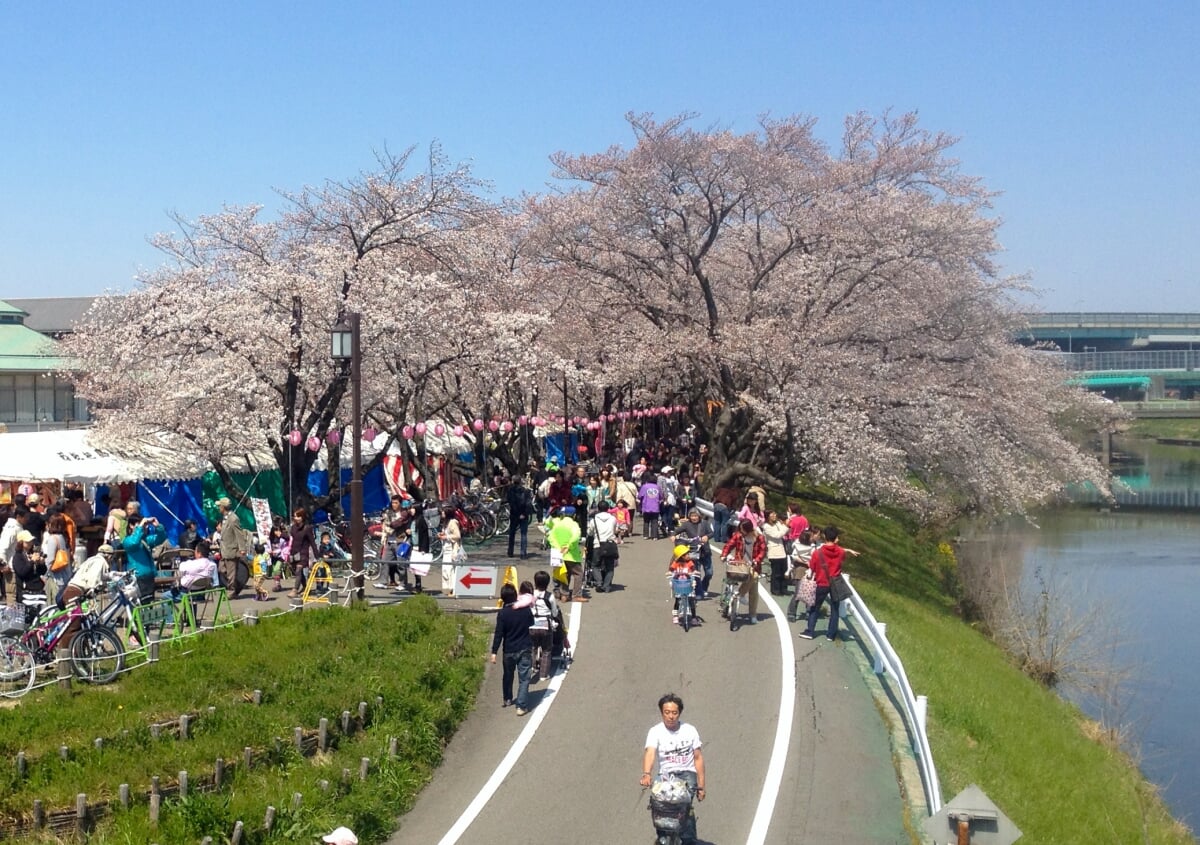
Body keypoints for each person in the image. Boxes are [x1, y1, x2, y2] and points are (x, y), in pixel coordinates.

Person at [639, 693, 706, 844]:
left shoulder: (690, 730)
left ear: (679, 713)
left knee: (682, 806)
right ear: (662, 713)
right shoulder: (655, 731)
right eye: (667, 712)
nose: (670, 716)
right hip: (666, 776)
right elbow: (650, 752)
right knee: (659, 805)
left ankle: (687, 838)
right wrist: (646, 773)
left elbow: (698, 758)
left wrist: (701, 786)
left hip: (687, 775)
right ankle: (663, 837)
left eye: (674, 713)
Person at [800, 525, 860, 641]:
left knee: (814, 608)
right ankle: (831, 634)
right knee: (835, 609)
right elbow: (841, 556)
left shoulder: (818, 553)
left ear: (824, 536)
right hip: (835, 583)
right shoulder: (840, 552)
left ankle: (810, 631)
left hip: (821, 583)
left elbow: (812, 566)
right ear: (836, 538)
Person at [490, 583, 535, 716]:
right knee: (524, 678)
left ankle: (507, 698)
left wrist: (494, 652)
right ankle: (521, 706)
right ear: (516, 596)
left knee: (508, 675)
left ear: (502, 598)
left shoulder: (503, 614)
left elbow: (499, 634)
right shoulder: (525, 610)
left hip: (508, 649)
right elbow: (531, 623)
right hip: (524, 647)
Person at [720, 519, 766, 624]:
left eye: (743, 530)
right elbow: (729, 545)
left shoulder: (759, 537)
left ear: (749, 529)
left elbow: (763, 552)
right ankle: (739, 596)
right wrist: (723, 555)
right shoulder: (738, 535)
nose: (742, 532)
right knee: (752, 582)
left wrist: (756, 560)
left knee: (754, 588)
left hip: (753, 565)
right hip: (739, 564)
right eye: (740, 529)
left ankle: (751, 611)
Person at [122, 515, 167, 603]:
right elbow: (134, 543)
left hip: (149, 576)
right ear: (131, 525)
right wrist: (140, 526)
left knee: (149, 604)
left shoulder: (145, 540)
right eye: (139, 524)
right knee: (141, 604)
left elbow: (161, 538)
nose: (144, 527)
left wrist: (158, 526)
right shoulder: (127, 541)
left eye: (145, 525)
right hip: (138, 577)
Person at [546, 506, 586, 602]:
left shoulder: (557, 524)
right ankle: (576, 595)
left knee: (563, 574)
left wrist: (558, 547)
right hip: (571, 554)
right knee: (578, 574)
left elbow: (550, 536)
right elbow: (576, 536)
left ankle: (564, 594)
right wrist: (568, 546)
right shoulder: (574, 525)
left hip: (558, 553)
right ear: (574, 515)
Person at [674, 509, 714, 599]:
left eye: (696, 516)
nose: (694, 518)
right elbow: (677, 531)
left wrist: (707, 536)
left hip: (705, 551)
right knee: (696, 573)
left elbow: (712, 533)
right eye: (692, 516)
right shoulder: (687, 524)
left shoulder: (705, 523)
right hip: (694, 551)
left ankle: (704, 587)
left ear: (699, 516)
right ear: (689, 516)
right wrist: (673, 535)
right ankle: (699, 592)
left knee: (709, 573)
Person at [216, 497, 250, 598]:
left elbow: (239, 534)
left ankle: (233, 591)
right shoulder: (225, 518)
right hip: (224, 550)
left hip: (231, 550)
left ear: (223, 507)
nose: (218, 508)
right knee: (221, 569)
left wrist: (242, 548)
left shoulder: (233, 518)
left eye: (219, 506)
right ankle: (237, 585)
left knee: (231, 572)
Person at [529, 569, 559, 682]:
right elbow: (555, 612)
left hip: (532, 624)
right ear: (547, 583)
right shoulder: (549, 596)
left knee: (532, 647)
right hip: (545, 625)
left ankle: (531, 667)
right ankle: (543, 674)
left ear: (535, 582)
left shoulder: (531, 594)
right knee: (546, 650)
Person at [785, 529, 820, 622]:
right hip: (805, 569)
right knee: (807, 591)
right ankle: (805, 612)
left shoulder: (796, 545)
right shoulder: (813, 548)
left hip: (799, 569)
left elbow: (794, 556)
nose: (813, 538)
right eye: (811, 536)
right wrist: (808, 562)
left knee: (800, 592)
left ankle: (792, 613)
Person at [287, 508, 319, 598]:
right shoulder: (293, 527)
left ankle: (295, 590)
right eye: (295, 516)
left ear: (302, 517)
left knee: (298, 570)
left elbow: (312, 542)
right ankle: (305, 587)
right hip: (294, 552)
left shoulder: (307, 528)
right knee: (298, 573)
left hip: (303, 553)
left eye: (298, 516)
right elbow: (290, 540)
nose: (295, 518)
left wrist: (317, 556)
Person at [589, 501, 619, 592]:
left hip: (598, 544)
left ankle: (599, 583)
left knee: (595, 565)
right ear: (608, 509)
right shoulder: (613, 519)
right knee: (610, 567)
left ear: (598, 509)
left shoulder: (594, 520)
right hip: (610, 544)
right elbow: (616, 530)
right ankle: (606, 586)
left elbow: (590, 532)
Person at [761, 510, 791, 596]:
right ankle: (775, 589)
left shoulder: (777, 523)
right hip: (774, 551)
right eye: (773, 514)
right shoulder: (766, 526)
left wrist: (786, 525)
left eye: (775, 513)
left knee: (784, 571)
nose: (775, 515)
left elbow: (785, 531)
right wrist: (785, 526)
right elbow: (777, 535)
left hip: (782, 550)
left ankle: (783, 588)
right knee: (776, 572)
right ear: (768, 516)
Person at [668, 544, 698, 625]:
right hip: (679, 584)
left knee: (691, 600)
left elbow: (693, 568)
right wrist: (670, 572)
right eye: (687, 554)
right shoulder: (676, 562)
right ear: (681, 556)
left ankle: (694, 617)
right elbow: (671, 568)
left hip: (688, 583)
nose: (689, 555)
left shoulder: (689, 562)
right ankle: (675, 616)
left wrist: (694, 571)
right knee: (677, 601)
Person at [506, 476, 533, 559]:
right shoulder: (526, 491)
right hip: (523, 515)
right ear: (521, 481)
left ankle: (510, 551)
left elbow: (511, 502)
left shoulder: (510, 491)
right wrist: (524, 513)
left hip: (514, 514)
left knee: (512, 533)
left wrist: (517, 514)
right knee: (523, 534)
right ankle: (523, 553)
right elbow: (528, 504)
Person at [638, 475, 662, 539]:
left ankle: (646, 535)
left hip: (646, 506)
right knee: (654, 521)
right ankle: (654, 536)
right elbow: (661, 496)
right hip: (655, 506)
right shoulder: (658, 487)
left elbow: (640, 496)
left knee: (646, 521)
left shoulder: (644, 486)